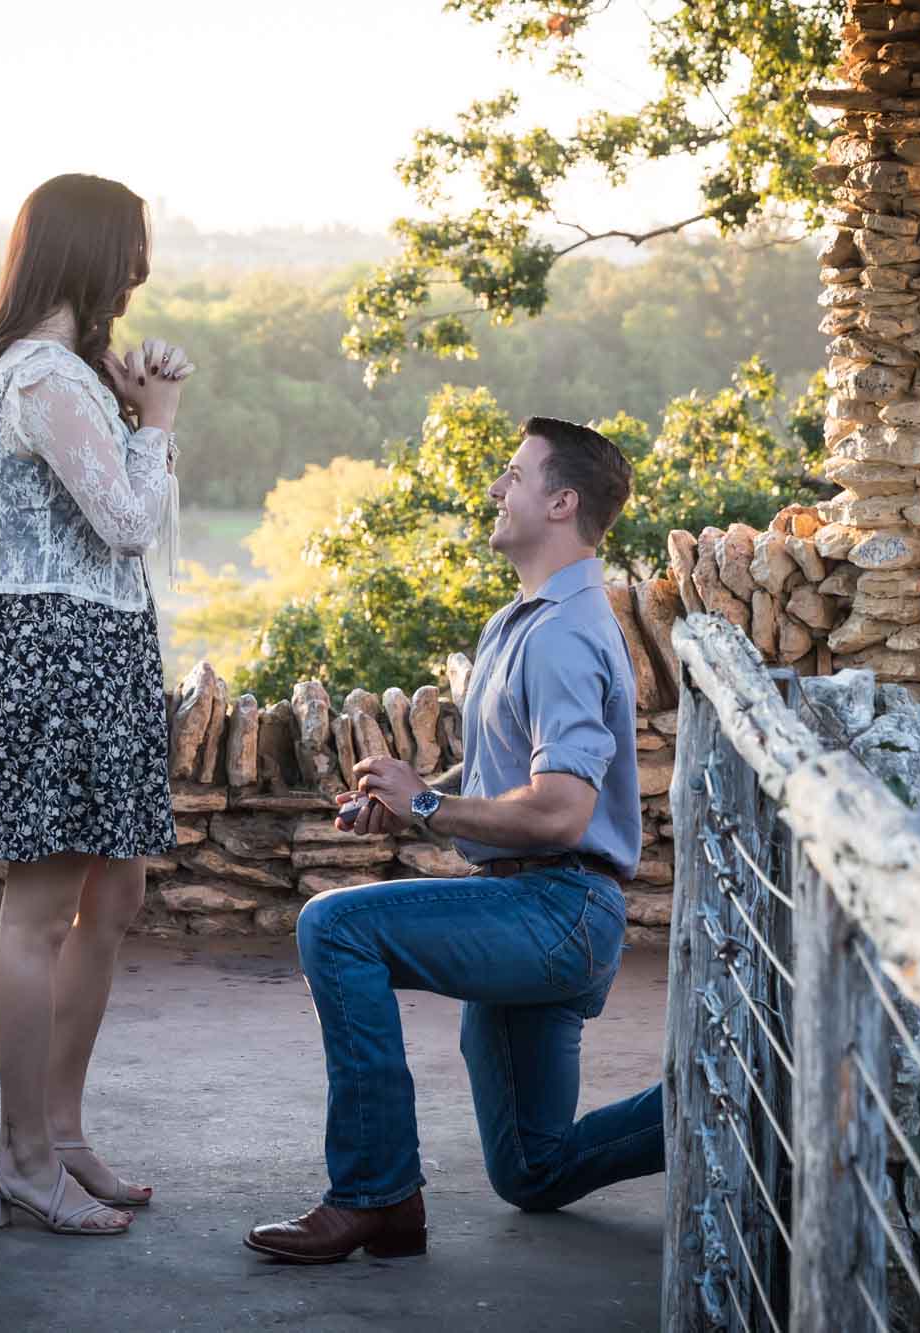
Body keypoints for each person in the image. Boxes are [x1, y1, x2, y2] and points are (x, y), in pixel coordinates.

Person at [245, 418, 665, 1264]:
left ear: (562, 502)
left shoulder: (568, 632)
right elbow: (511, 778)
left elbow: (561, 812)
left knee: (335, 926)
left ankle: (376, 1195)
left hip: (558, 909)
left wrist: (431, 804)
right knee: (532, 1170)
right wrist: (409, 803)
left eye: (514, 475)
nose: (496, 489)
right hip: (529, 903)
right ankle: (726, 1099)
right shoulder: (517, 623)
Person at [0, 173, 194, 1238]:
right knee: (40, 912)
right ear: (86, 252)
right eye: (129, 248)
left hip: (103, 645)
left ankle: (61, 1128)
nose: (140, 270)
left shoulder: (76, 373)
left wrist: (133, 406)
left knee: (116, 893)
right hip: (54, 652)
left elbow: (118, 527)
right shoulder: (40, 376)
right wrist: (159, 419)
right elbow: (128, 523)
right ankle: (20, 1157)